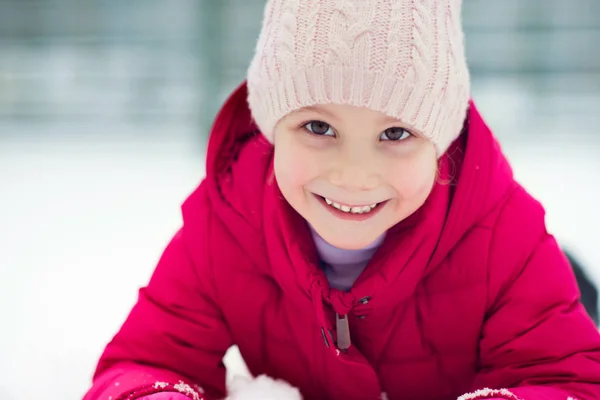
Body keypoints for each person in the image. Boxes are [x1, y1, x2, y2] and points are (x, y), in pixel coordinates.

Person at [82, 0, 600, 399]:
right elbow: (146, 363)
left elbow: (566, 379)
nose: (354, 175)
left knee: (572, 293)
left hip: (536, 283)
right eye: (317, 126)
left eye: (395, 134)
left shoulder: (504, 234)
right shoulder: (226, 225)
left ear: (440, 142)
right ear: (270, 127)